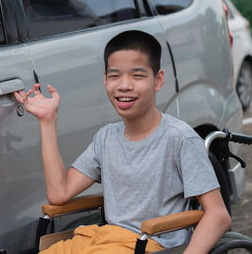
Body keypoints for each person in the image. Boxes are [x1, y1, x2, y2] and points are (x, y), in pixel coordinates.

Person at [14, 30, 231, 253]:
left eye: (137, 76)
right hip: (101, 239)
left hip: (149, 244)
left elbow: (218, 215)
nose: (124, 85)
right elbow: (59, 193)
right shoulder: (106, 138)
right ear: (105, 79)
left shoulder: (179, 139)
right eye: (115, 76)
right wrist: (47, 121)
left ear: (158, 80)